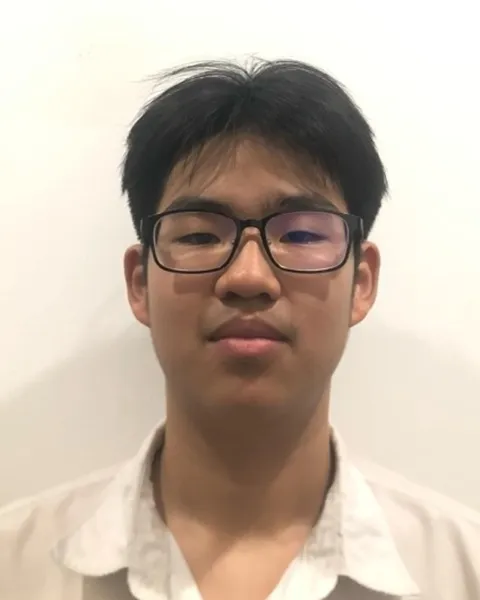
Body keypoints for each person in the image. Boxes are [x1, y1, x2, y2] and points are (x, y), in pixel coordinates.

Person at [0, 58, 479, 600]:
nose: (248, 277)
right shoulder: (16, 569)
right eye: (200, 236)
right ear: (140, 283)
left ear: (362, 281)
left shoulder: (460, 571)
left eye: (300, 235)